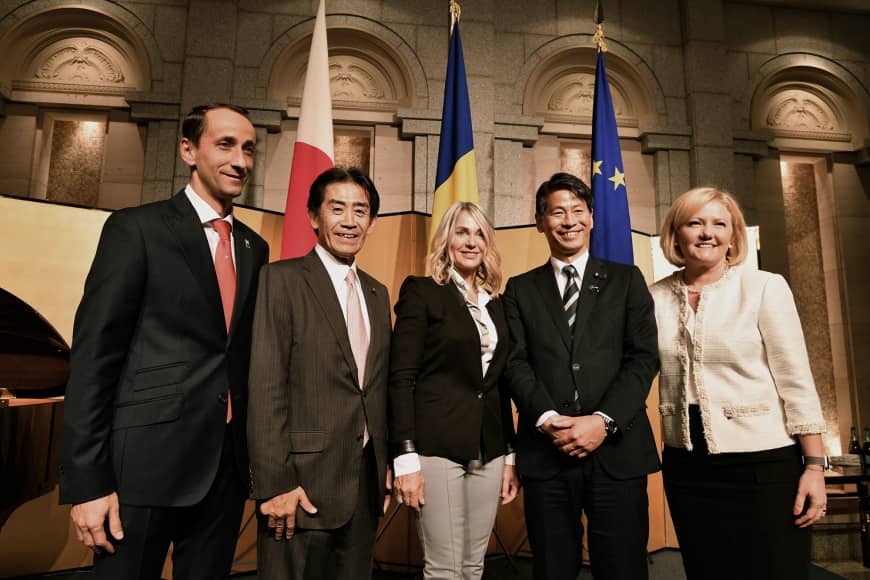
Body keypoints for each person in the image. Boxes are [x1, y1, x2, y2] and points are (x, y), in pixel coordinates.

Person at [59, 103, 270, 578]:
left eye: (249, 148)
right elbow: (94, 359)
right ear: (189, 150)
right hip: (141, 472)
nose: (240, 160)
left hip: (224, 472)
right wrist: (87, 483)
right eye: (226, 144)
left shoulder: (255, 248)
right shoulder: (136, 229)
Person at [650, 187, 827, 580]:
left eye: (719, 224)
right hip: (687, 465)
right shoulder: (653, 297)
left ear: (734, 236)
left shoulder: (765, 286)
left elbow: (796, 380)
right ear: (676, 234)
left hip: (764, 463)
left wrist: (815, 465)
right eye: (694, 223)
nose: (706, 232)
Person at [503, 172, 660, 580]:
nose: (568, 220)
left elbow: (642, 359)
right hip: (547, 452)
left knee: (623, 568)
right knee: (553, 569)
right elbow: (514, 362)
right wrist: (546, 419)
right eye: (557, 212)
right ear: (540, 222)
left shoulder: (627, 281)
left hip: (618, 452)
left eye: (577, 211)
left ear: (591, 218)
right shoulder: (519, 289)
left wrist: (602, 422)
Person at [247, 167, 392, 580]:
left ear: (372, 222)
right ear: (313, 217)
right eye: (337, 208)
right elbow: (265, 385)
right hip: (299, 487)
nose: (350, 221)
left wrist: (383, 468)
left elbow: (375, 388)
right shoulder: (281, 280)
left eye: (360, 211)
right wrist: (275, 485)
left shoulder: (378, 293)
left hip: (364, 484)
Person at [389, 201, 520, 580]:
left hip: (489, 448)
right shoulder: (423, 292)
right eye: (462, 231)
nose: (471, 241)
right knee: (445, 568)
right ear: (446, 239)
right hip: (435, 446)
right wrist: (405, 458)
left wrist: (509, 455)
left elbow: (499, 386)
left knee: (473, 565)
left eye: (479, 233)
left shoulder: (497, 305)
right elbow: (401, 378)